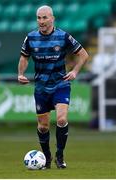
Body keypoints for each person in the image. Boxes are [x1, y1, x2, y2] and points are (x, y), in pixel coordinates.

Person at [18, 5, 89, 169]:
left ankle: (60, 155)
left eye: (44, 18)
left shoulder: (63, 36)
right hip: (41, 87)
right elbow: (24, 57)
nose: (41, 21)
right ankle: (47, 158)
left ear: (52, 18)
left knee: (62, 119)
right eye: (39, 18)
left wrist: (75, 71)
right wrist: (20, 73)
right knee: (43, 127)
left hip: (60, 84)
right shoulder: (30, 38)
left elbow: (84, 55)